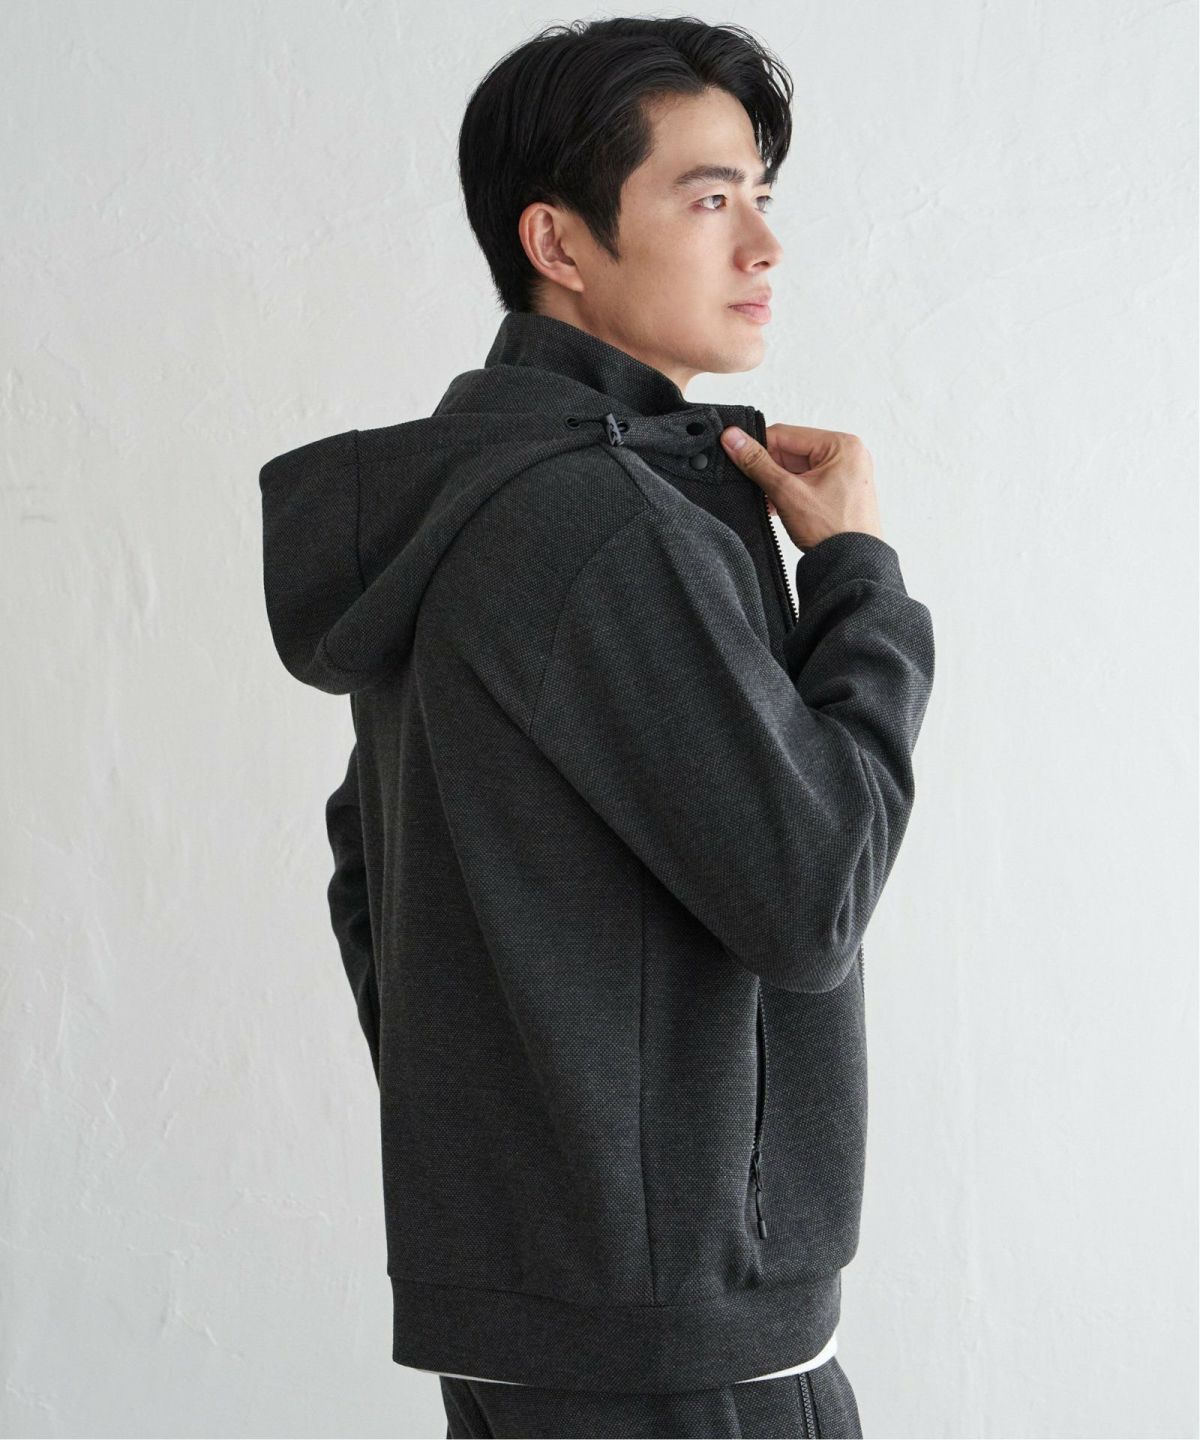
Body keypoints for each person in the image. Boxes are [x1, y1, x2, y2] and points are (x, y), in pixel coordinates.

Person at [259, 16, 935, 1438]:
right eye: (708, 196)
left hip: (532, 1337)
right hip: (682, 1359)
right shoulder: (602, 526)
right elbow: (814, 893)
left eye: (762, 193)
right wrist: (860, 578)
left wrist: (536, 1150)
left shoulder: (465, 507)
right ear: (557, 242)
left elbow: (370, 876)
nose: (763, 243)